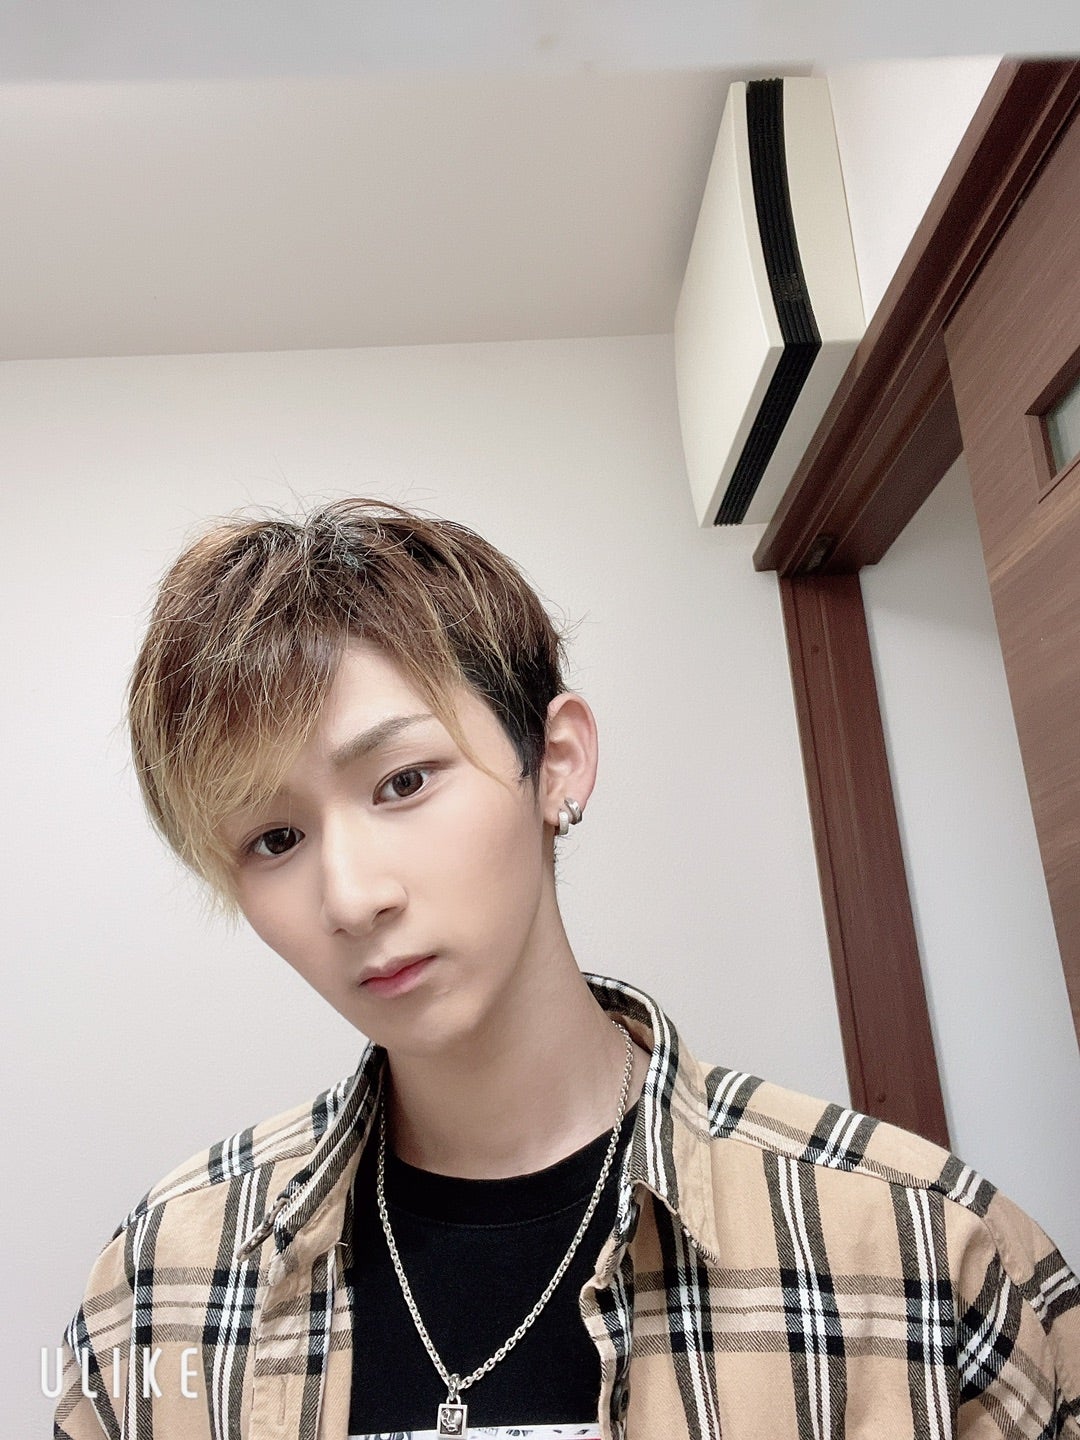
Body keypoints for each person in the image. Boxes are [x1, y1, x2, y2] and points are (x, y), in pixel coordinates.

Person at [55, 498, 1079, 1440]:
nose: (352, 897)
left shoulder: (920, 1245)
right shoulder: (160, 1286)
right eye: (274, 840)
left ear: (557, 763)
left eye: (404, 782)